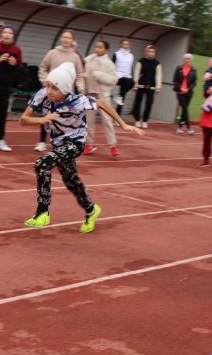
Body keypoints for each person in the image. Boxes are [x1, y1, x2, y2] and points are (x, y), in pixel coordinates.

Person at [20, 63, 143, 232]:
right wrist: (41, 120)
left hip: (75, 143)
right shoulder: (42, 95)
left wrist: (123, 124)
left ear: (64, 89)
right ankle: (92, 210)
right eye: (48, 85)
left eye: (54, 88)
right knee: (71, 182)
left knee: (42, 164)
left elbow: (102, 103)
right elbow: (23, 119)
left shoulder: (77, 101)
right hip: (58, 143)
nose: (49, 91)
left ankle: (42, 213)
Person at [34, 30, 86, 152]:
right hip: (51, 92)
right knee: (47, 116)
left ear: (72, 40)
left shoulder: (75, 57)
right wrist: (45, 82)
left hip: (67, 94)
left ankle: (63, 142)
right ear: (60, 38)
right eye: (64, 37)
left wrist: (81, 88)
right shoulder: (52, 53)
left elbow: (80, 74)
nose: (66, 39)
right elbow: (42, 68)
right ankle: (42, 141)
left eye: (69, 38)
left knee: (66, 118)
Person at [83, 40, 119, 156]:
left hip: (102, 95)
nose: (97, 49)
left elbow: (113, 80)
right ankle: (90, 144)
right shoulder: (88, 60)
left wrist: (100, 75)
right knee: (89, 121)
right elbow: (83, 73)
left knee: (107, 120)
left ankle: (113, 145)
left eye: (100, 47)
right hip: (89, 94)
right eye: (96, 47)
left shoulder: (109, 64)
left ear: (106, 49)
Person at [131, 45, 162, 128]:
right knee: (138, 103)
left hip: (151, 86)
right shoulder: (141, 61)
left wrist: (158, 86)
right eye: (149, 51)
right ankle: (137, 120)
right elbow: (136, 73)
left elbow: (158, 75)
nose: (151, 53)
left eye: (153, 52)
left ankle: (145, 120)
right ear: (146, 52)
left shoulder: (157, 63)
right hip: (141, 85)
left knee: (149, 103)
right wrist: (135, 84)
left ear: (154, 53)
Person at [172, 53, 197, 135]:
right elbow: (175, 80)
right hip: (179, 92)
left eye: (189, 59)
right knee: (185, 109)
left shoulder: (194, 70)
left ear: (191, 60)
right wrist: (181, 88)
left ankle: (179, 127)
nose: (187, 60)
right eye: (186, 58)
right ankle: (189, 127)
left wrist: (188, 89)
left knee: (184, 110)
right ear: (183, 59)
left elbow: (194, 83)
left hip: (189, 93)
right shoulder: (178, 68)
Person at [112, 39, 135, 116]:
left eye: (127, 44)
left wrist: (131, 76)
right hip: (118, 77)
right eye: (124, 44)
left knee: (122, 98)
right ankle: (119, 96)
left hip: (127, 77)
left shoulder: (131, 56)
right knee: (131, 83)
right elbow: (111, 66)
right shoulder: (116, 54)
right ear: (121, 45)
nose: (126, 46)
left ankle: (117, 116)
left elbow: (130, 67)